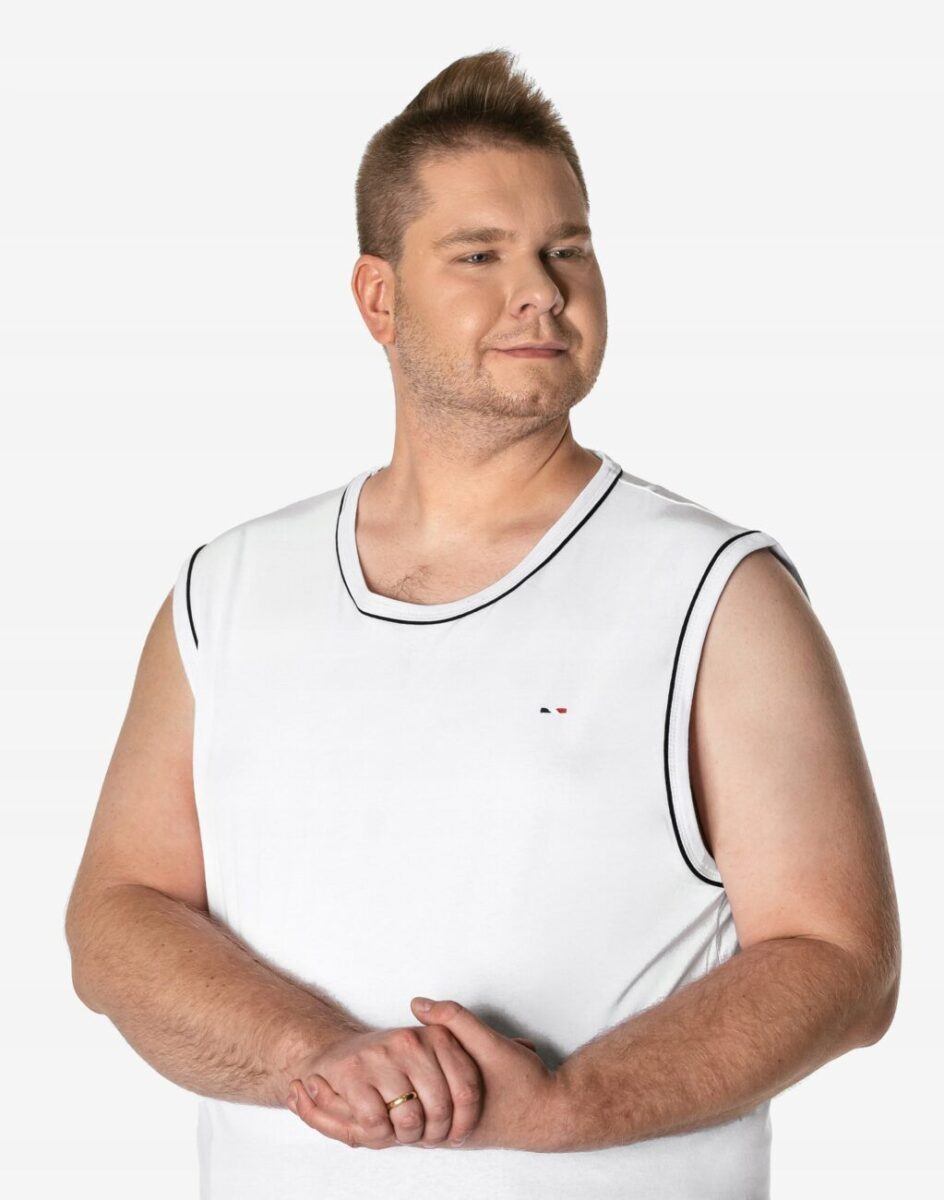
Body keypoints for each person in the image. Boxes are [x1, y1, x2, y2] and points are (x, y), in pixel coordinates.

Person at [65, 47, 900, 1199]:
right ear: (378, 298)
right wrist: (311, 1054)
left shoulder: (715, 594)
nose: (542, 291)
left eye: (567, 250)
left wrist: (562, 1106)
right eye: (480, 254)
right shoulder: (228, 589)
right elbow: (116, 918)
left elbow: (842, 966)